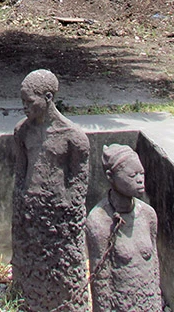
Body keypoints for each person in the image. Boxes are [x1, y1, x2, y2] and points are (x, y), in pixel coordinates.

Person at [12, 69, 90, 312]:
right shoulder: (22, 132)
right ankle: (26, 297)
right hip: (30, 212)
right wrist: (20, 206)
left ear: (47, 97)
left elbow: (79, 182)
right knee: (31, 261)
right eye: (22, 101)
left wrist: (69, 213)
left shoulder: (73, 137)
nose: (24, 107)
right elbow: (20, 172)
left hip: (60, 216)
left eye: (29, 101)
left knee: (60, 269)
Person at [85, 144, 162, 312]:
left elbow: (154, 268)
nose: (140, 179)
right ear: (111, 177)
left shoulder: (148, 215)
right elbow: (101, 283)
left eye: (142, 173)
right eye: (132, 175)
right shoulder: (99, 222)